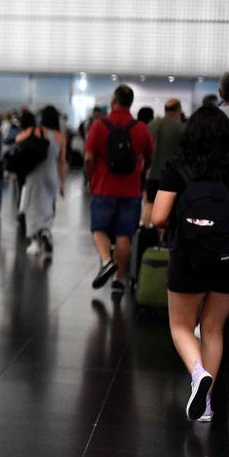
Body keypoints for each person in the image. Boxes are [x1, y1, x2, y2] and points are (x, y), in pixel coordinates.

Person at [150, 106, 229, 421]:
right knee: (213, 329)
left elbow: (157, 217)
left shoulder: (178, 166)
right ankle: (206, 404)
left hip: (188, 257)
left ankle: (198, 375)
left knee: (181, 326)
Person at [85, 84, 154, 298]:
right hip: (130, 190)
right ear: (131, 103)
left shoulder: (99, 126)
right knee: (125, 235)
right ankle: (118, 282)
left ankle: (107, 261)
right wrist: (140, 174)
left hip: (103, 187)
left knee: (99, 230)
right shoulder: (141, 128)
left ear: (114, 101)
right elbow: (149, 156)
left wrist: (90, 178)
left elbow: (88, 158)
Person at [18, 106, 67, 257]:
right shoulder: (61, 137)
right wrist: (62, 183)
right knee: (48, 206)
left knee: (32, 207)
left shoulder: (37, 131)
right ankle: (46, 230)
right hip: (51, 174)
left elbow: (18, 139)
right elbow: (62, 161)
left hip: (35, 173)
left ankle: (35, 243)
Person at [142, 99, 185, 229]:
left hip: (152, 173)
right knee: (167, 209)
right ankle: (161, 240)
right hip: (170, 175)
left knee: (149, 203)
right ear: (177, 110)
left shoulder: (152, 124)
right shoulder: (180, 127)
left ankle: (145, 232)